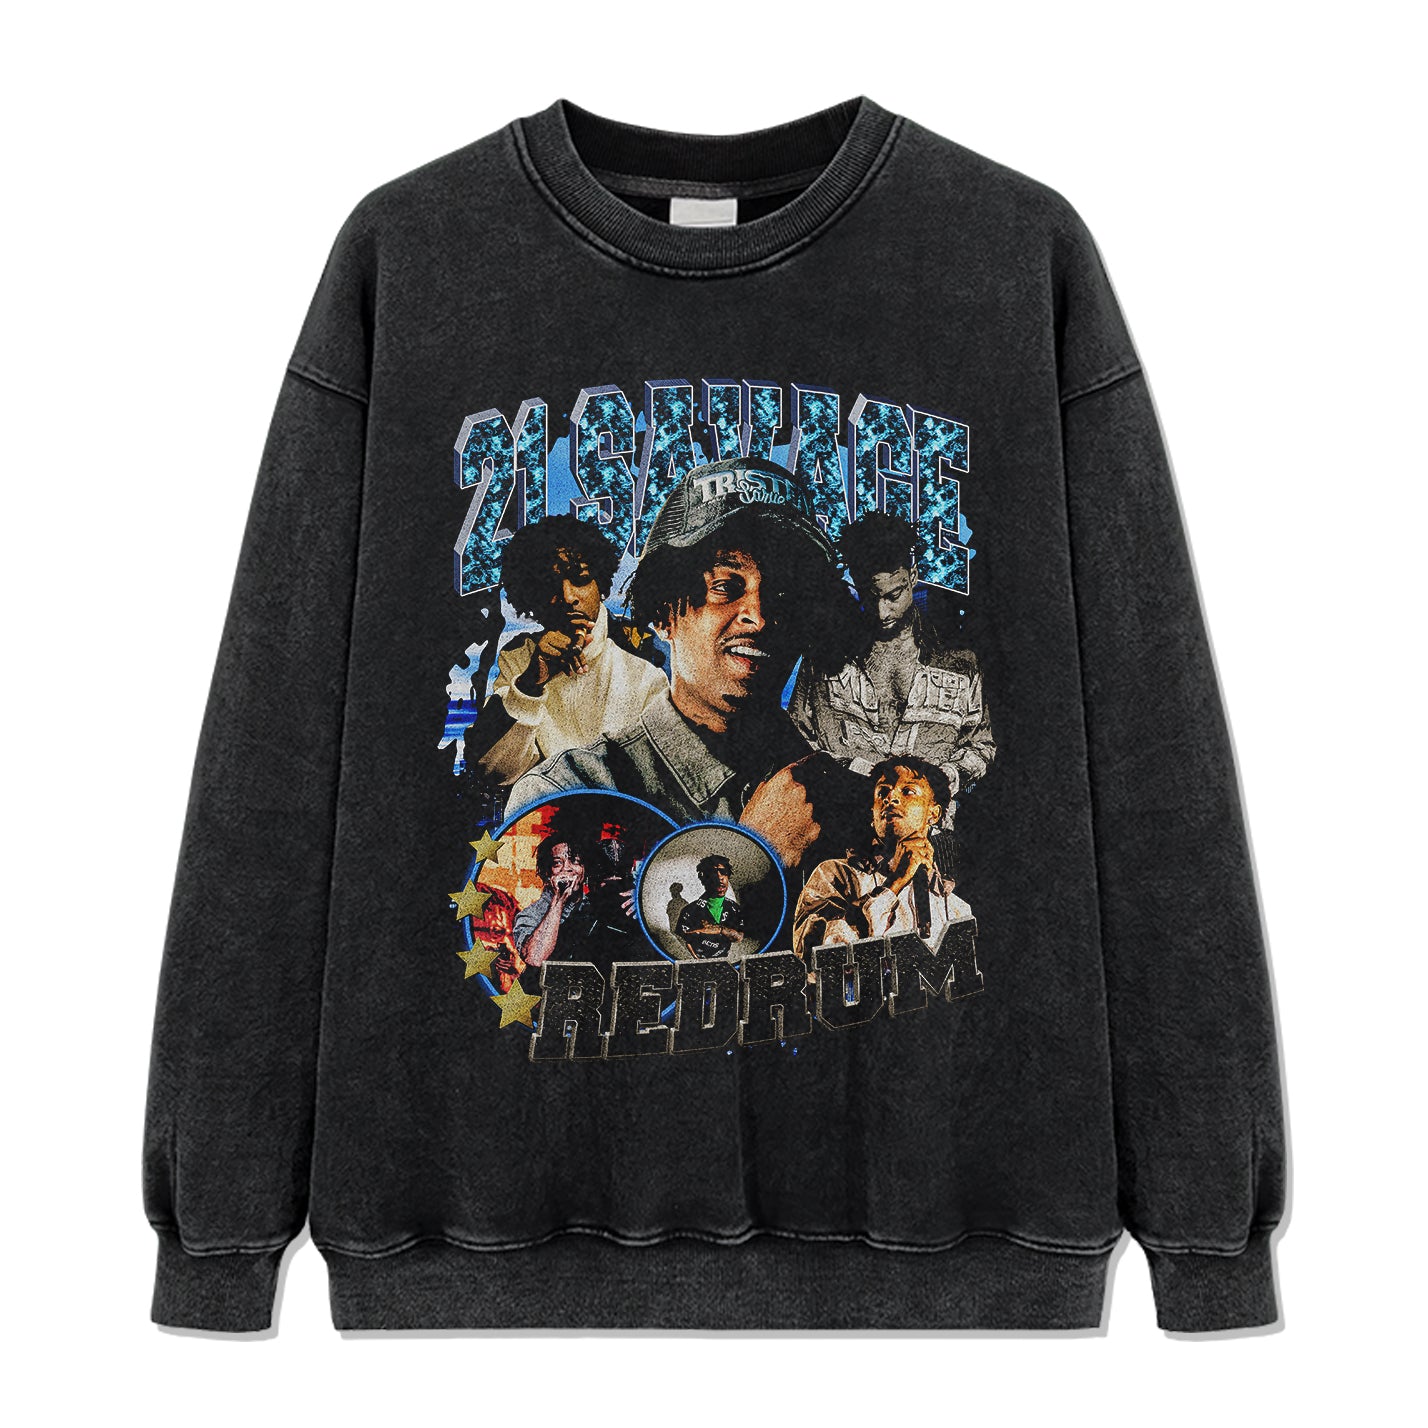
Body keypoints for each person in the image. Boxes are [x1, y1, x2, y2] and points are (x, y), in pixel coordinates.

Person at [506, 458, 864, 872]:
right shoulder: (567, 794)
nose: (759, 617)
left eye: (784, 593)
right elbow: (533, 915)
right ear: (663, 614)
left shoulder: (854, 794)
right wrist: (752, 856)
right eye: (725, 587)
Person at [789, 512, 995, 824]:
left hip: (930, 839)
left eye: (893, 596)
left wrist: (944, 778)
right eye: (869, 596)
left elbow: (981, 746)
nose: (882, 611)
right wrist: (855, 775)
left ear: (913, 576)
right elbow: (798, 743)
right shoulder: (823, 662)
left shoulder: (959, 662)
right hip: (843, 834)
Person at [469, 514, 668, 789]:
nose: (567, 596)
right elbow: (495, 773)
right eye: (548, 585)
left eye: (580, 579)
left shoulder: (647, 655)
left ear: (600, 585)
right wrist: (530, 685)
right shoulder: (518, 658)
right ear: (531, 596)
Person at [792, 755, 973, 962]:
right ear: (873, 812)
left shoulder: (957, 909)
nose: (890, 798)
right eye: (882, 792)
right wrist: (893, 885)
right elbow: (825, 960)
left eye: (908, 791)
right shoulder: (834, 875)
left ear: (934, 813)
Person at [512, 823, 640, 982]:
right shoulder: (530, 915)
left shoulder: (596, 905)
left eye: (575, 861)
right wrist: (559, 899)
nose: (567, 868)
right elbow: (535, 958)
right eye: (558, 863)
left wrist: (641, 904)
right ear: (547, 873)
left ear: (585, 870)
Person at [674, 855, 746, 959]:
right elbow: (684, 939)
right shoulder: (689, 911)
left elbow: (739, 937)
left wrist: (719, 929)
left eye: (723, 872)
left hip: (724, 963)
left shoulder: (735, 909)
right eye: (713, 873)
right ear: (704, 879)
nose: (720, 877)